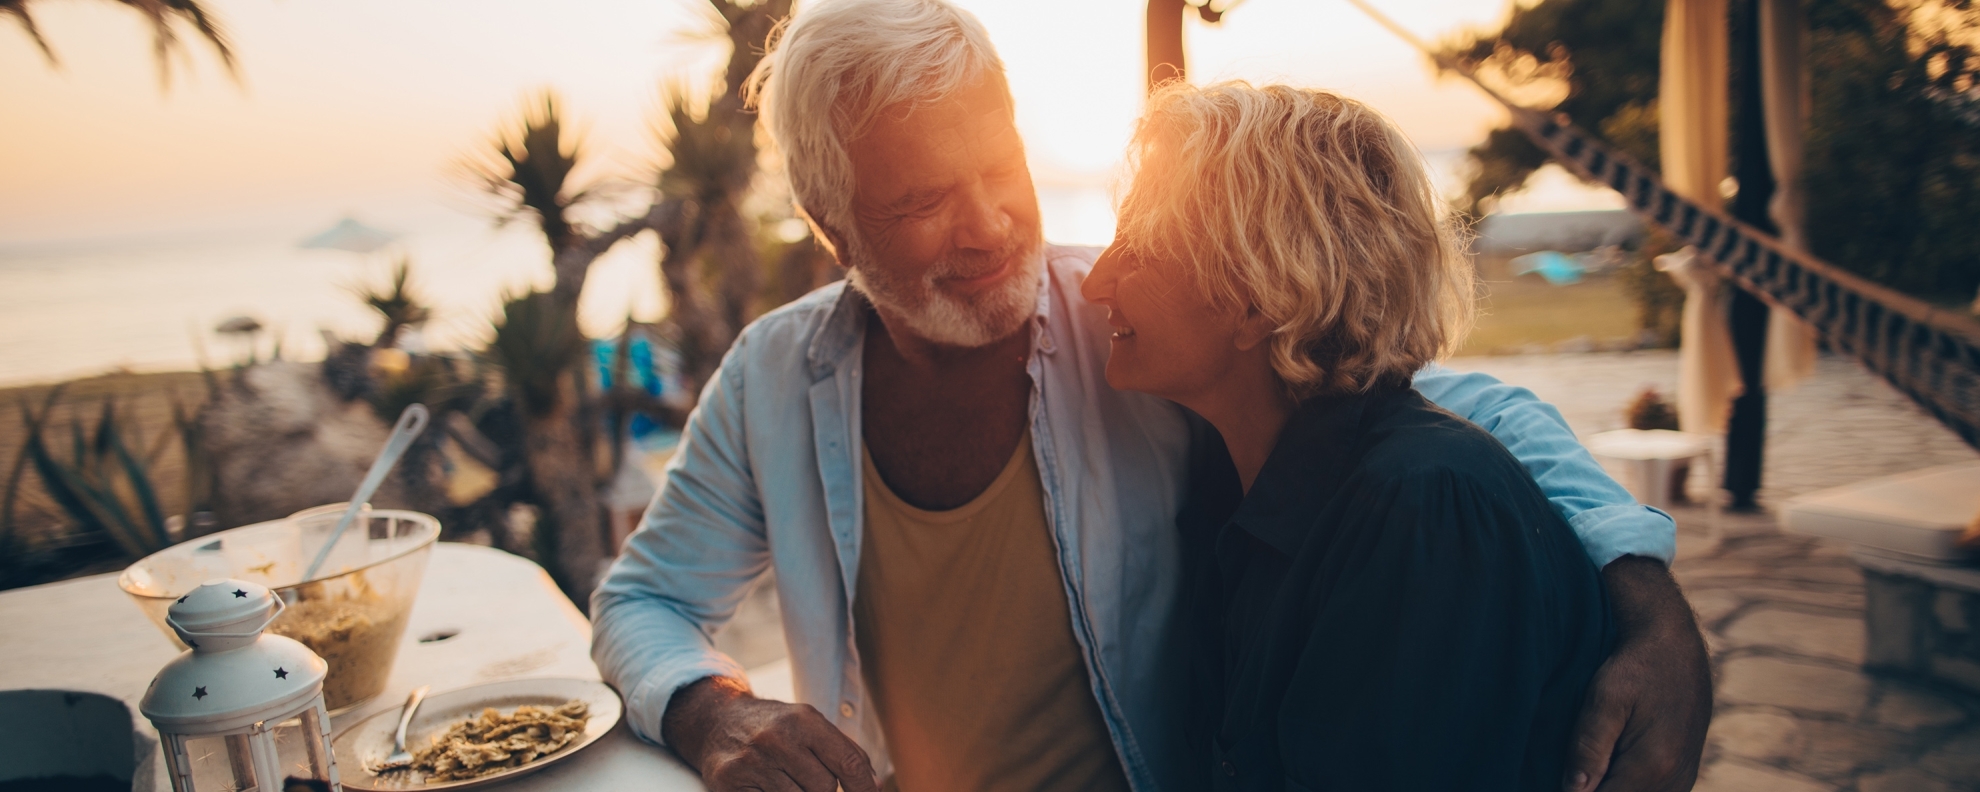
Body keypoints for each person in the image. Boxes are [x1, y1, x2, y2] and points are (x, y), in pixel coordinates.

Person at [590, 1, 1710, 791]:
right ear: (835, 227)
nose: (987, 225)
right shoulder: (775, 378)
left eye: (1000, 167)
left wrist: (1646, 598)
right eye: (925, 198)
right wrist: (713, 710)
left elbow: (1437, 410)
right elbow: (640, 602)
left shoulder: (1137, 319)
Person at [1085, 81, 1617, 791]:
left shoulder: (1422, 513)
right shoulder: (1246, 476)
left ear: (1257, 296)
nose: (1094, 282)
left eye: (1141, 246)